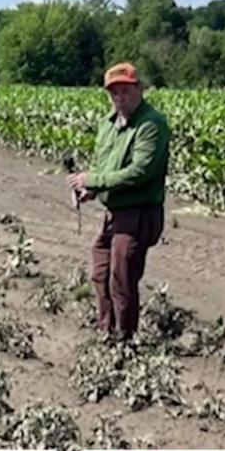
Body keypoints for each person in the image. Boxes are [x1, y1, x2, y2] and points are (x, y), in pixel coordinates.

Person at [66, 62, 170, 341]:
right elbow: (105, 165)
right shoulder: (109, 124)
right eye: (114, 93)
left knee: (122, 279)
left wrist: (93, 180)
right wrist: (91, 191)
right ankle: (107, 333)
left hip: (139, 213)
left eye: (125, 91)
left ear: (139, 90)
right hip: (115, 213)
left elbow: (140, 172)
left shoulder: (151, 124)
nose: (119, 98)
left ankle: (124, 340)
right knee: (101, 272)